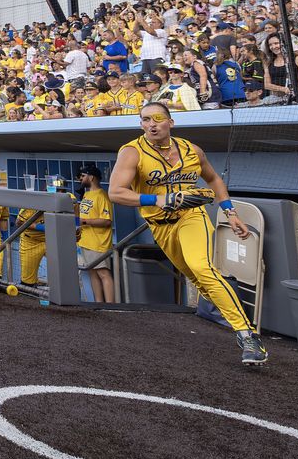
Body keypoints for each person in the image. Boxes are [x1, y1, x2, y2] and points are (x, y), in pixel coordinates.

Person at [105, 103, 266, 365]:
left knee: (202, 268)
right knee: (196, 278)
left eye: (157, 119)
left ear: (171, 122)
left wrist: (230, 212)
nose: (151, 124)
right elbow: (116, 192)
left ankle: (247, 335)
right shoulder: (132, 152)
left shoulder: (193, 150)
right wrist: (157, 199)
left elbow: (213, 179)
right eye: (145, 120)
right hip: (161, 224)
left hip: (192, 216)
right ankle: (234, 319)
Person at [74, 164, 114, 303]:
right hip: (86, 241)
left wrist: (85, 221)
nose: (81, 179)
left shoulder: (102, 196)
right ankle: (98, 303)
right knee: (92, 272)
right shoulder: (87, 193)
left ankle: (111, 305)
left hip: (98, 242)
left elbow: (106, 221)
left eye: (83, 176)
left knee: (103, 273)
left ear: (91, 177)